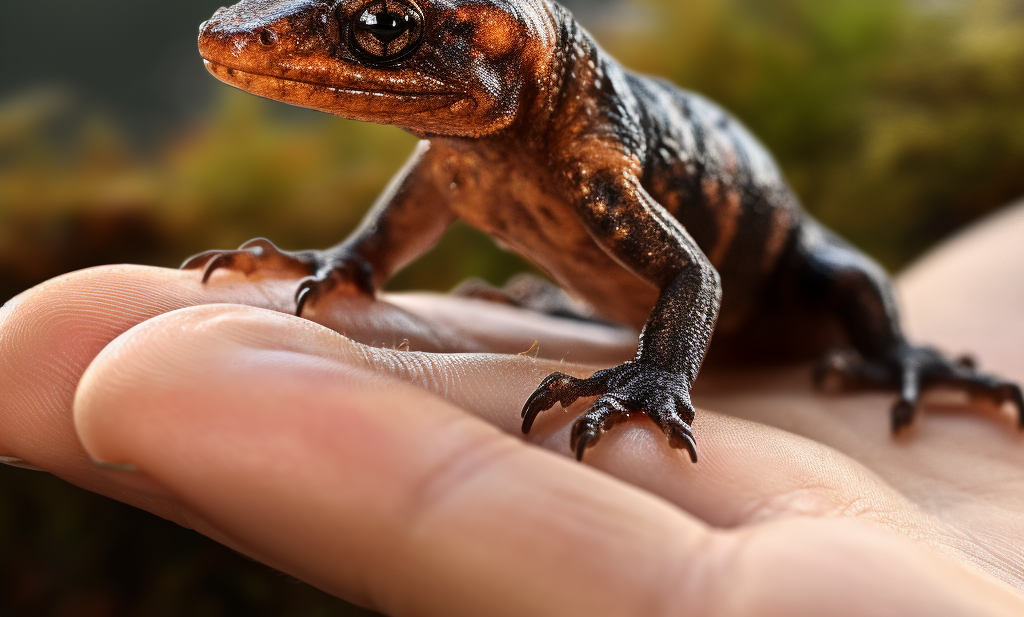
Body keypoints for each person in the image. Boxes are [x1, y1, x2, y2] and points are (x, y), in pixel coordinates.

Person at [1, 204, 1023, 616]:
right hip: (626, 305)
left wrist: (659, 378)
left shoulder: (579, 141)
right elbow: (428, 189)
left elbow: (694, 273)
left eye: (385, 34)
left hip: (776, 299)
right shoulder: (459, 148)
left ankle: (898, 351)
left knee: (837, 272)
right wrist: (357, 264)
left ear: (501, 60)